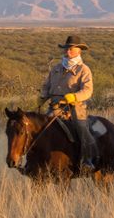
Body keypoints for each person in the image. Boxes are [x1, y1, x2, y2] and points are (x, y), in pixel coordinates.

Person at [38, 35, 97, 171]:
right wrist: (42, 97)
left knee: (81, 128)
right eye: (66, 49)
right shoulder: (56, 68)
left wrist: (73, 97)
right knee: (38, 127)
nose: (68, 51)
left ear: (79, 51)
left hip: (76, 107)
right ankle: (35, 162)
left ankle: (87, 161)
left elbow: (88, 91)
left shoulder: (84, 70)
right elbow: (46, 85)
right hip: (55, 106)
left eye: (71, 49)